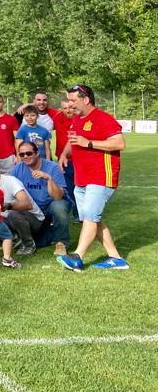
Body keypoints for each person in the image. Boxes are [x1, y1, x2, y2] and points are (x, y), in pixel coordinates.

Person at [57, 84, 129, 272]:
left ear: (86, 99)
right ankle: (116, 259)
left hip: (101, 176)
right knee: (91, 219)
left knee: (90, 216)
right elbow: (72, 140)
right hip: (82, 177)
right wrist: (64, 154)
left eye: (73, 100)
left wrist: (87, 143)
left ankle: (77, 257)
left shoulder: (103, 118)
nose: (70, 104)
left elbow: (120, 143)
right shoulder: (77, 120)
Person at [11, 141, 71, 255]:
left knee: (59, 206)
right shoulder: (17, 170)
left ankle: (62, 243)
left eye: (29, 153)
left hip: (50, 205)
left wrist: (48, 179)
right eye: (22, 154)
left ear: (37, 153)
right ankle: (23, 239)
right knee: (11, 211)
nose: (25, 157)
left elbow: (58, 197)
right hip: (32, 209)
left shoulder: (52, 167)